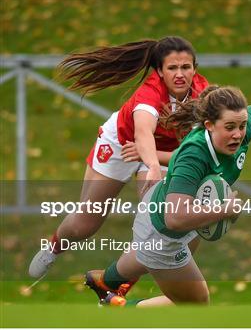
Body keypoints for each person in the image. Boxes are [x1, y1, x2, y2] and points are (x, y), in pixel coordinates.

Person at [84, 85, 251, 307]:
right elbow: (174, 218)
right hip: (164, 228)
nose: (238, 134)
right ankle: (119, 310)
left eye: (242, 125)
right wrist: (224, 210)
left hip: (170, 209)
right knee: (195, 303)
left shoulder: (239, 129)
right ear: (209, 125)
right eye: (230, 127)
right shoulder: (194, 156)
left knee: (152, 250)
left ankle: (106, 281)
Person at [28, 37, 209, 281]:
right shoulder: (150, 92)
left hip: (161, 152)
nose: (180, 74)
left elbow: (201, 144)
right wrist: (153, 164)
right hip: (122, 143)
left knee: (163, 221)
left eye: (186, 67)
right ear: (160, 72)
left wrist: (155, 160)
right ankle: (54, 247)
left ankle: (119, 281)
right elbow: (142, 133)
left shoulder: (203, 94)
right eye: (172, 68)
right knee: (85, 223)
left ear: (194, 69)